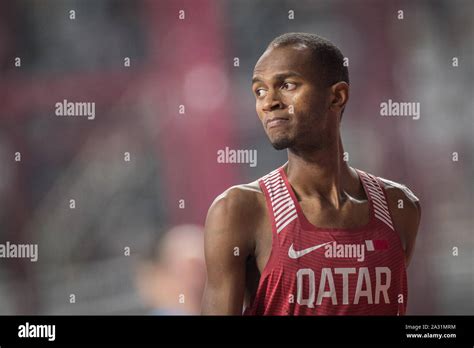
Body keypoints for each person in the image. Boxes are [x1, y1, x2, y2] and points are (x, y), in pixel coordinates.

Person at [201, 33, 421, 315]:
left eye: (287, 85)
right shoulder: (238, 210)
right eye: (259, 91)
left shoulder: (400, 207)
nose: (269, 102)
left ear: (337, 96)